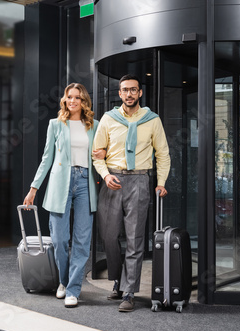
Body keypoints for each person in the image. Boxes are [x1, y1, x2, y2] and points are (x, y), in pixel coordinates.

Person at [92, 74, 171, 312]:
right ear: (119, 94)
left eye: (133, 90)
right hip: (112, 180)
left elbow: (163, 153)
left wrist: (161, 181)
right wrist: (106, 175)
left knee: (135, 238)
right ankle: (117, 278)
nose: (129, 94)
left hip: (139, 179)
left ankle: (128, 291)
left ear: (140, 93)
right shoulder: (108, 119)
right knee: (109, 236)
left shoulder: (152, 120)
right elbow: (97, 153)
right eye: (125, 90)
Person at [23, 83, 103, 308]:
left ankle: (73, 289)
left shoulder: (94, 125)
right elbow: (46, 158)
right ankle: (64, 281)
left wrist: (103, 153)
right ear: (65, 100)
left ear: (84, 101)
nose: (73, 101)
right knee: (59, 240)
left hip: (86, 183)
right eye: (70, 97)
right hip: (61, 183)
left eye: (78, 97)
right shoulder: (55, 125)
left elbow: (101, 154)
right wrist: (33, 188)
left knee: (82, 240)